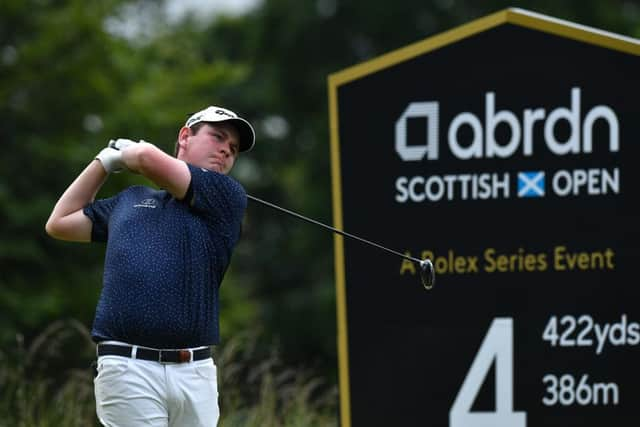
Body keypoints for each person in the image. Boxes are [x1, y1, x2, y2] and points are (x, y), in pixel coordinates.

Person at [45, 106, 255, 427]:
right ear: (185, 137)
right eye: (218, 137)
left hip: (195, 372)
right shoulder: (130, 201)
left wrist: (128, 152)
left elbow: (144, 156)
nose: (227, 149)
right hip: (128, 367)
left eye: (234, 148)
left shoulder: (226, 196)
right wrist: (102, 163)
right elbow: (59, 223)